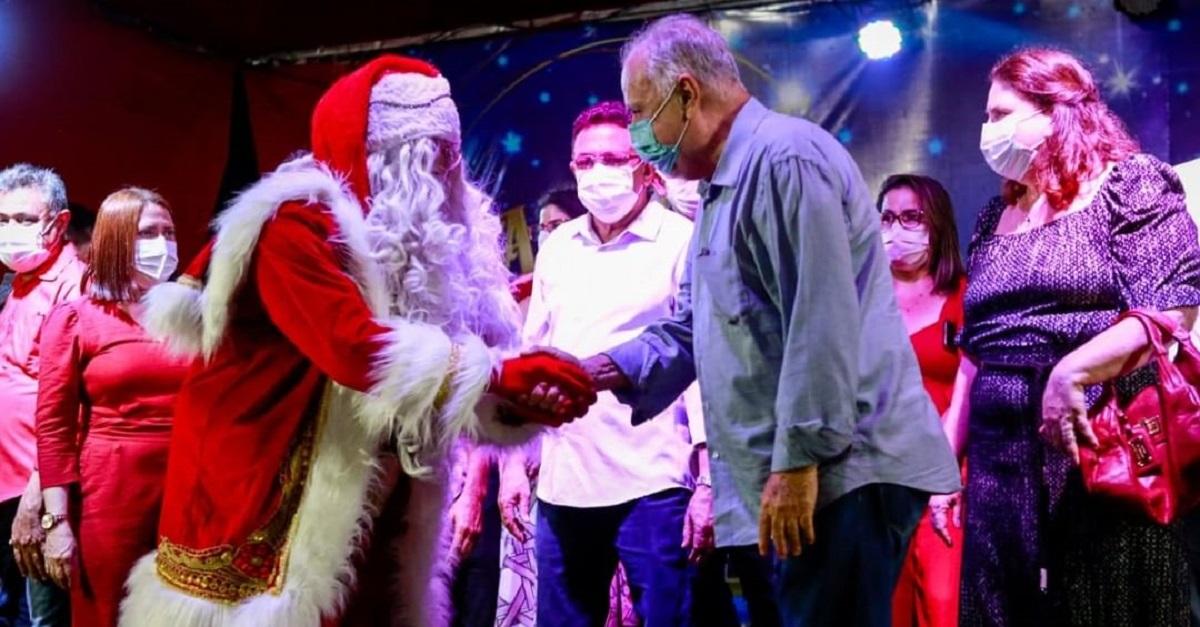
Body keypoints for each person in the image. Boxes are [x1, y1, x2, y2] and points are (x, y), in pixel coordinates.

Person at [121, 55, 595, 627]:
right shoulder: (293, 224)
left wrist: (515, 402)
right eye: (429, 153)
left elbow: (435, 377)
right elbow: (353, 347)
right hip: (263, 492)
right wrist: (497, 375)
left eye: (452, 151)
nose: (449, 172)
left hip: (377, 502)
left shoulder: (421, 251)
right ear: (379, 156)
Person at [526, 15, 961, 627]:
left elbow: (820, 319)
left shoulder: (784, 159)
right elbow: (692, 328)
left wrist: (797, 464)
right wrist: (591, 371)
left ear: (686, 94)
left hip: (839, 472)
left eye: (641, 112)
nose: (640, 135)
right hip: (804, 472)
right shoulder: (722, 188)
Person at [947, 47, 1200, 626]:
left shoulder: (1129, 185)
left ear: (1056, 112)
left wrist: (1072, 371)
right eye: (986, 117)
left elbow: (1173, 308)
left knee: (1102, 603)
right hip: (998, 463)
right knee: (1002, 606)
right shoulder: (993, 216)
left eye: (1001, 114)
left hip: (1098, 444)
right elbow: (974, 351)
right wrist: (944, 468)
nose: (988, 131)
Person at [502, 100, 712, 626]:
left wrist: (708, 479)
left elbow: (699, 365)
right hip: (565, 480)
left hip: (655, 480)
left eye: (614, 159)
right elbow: (532, 358)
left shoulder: (680, 240)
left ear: (644, 165)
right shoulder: (558, 247)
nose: (599, 172)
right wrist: (513, 464)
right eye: (587, 161)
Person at [33, 188, 188, 627]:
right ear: (117, 239)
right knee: (108, 611)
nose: (163, 244)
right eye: (148, 233)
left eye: (169, 232)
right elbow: (54, 427)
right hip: (113, 490)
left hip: (190, 484)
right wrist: (56, 521)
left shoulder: (195, 316)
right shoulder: (77, 317)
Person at [877, 175, 967, 627]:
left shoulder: (965, 296)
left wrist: (942, 475)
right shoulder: (858, 301)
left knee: (940, 602)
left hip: (945, 481)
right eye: (888, 217)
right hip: (876, 480)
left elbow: (972, 388)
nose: (897, 229)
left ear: (937, 223)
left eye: (912, 217)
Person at [0, 164, 84, 627]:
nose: (10, 230)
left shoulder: (75, 286)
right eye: (2, 220)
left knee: (42, 619)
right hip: (6, 481)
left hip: (38, 491)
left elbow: (74, 407)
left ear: (59, 222)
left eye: (24, 219)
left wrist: (39, 502)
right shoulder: (20, 281)